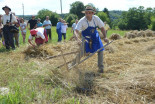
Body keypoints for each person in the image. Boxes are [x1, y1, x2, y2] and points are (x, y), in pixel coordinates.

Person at [73, 6, 109, 73]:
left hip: (95, 36)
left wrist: (105, 37)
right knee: (82, 52)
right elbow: (76, 31)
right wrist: (77, 39)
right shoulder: (82, 20)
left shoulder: (96, 18)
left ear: (92, 13)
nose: (87, 14)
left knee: (100, 49)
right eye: (86, 13)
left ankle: (101, 68)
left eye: (89, 13)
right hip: (86, 37)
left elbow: (102, 28)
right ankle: (73, 64)